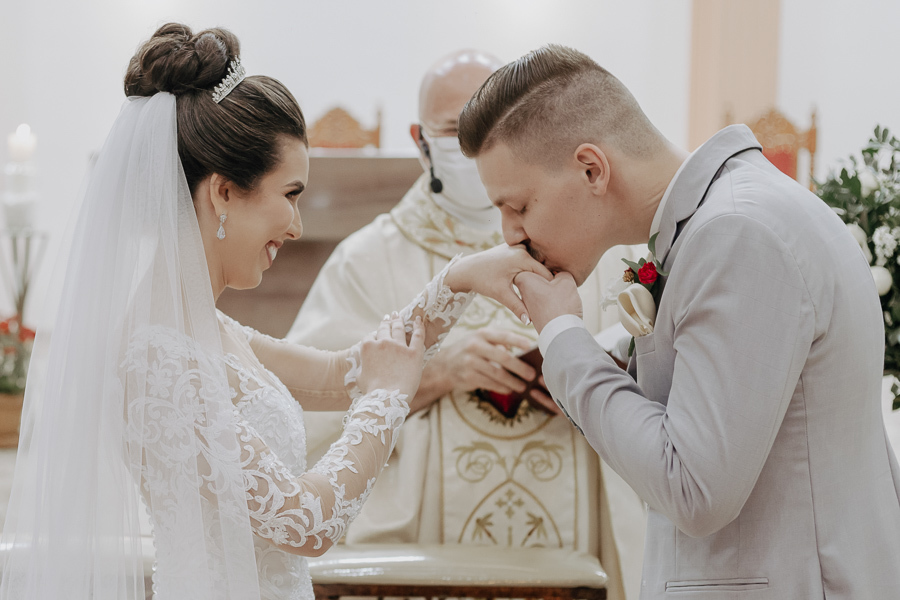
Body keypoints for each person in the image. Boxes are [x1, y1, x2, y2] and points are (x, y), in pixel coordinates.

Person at [0, 24, 549, 600]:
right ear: (223, 192)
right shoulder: (157, 353)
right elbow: (302, 522)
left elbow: (345, 373)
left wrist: (460, 279)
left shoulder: (203, 328)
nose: (296, 226)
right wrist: (387, 400)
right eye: (289, 195)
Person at [458, 44, 900, 599]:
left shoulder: (736, 233)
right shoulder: (728, 217)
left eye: (519, 206)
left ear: (592, 169)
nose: (509, 235)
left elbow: (694, 488)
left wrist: (563, 338)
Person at [287, 49, 645, 600]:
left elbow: (654, 373)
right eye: (455, 131)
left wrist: (583, 376)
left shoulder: (600, 242)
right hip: (426, 558)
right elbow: (303, 419)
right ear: (420, 139)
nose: (477, 148)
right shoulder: (367, 260)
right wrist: (432, 373)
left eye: (499, 128)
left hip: (578, 548)